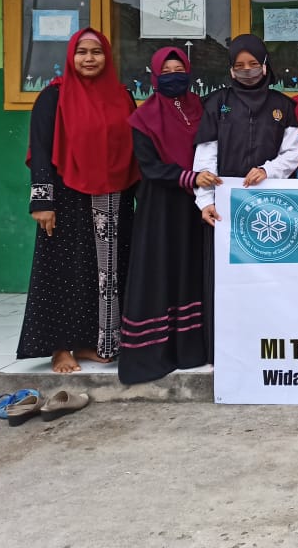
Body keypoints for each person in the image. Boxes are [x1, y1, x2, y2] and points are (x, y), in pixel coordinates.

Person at [19, 28, 139, 374]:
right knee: (64, 271)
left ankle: (92, 342)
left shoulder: (122, 96)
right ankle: (60, 348)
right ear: (71, 56)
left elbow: (133, 148)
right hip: (68, 197)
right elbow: (41, 149)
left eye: (96, 52)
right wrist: (42, 202)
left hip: (115, 198)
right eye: (82, 52)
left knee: (107, 272)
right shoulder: (53, 97)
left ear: (107, 57)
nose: (89, 58)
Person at [193, 34, 298, 358]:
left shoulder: (283, 106)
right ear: (230, 69)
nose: (247, 70)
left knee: (270, 278)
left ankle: (268, 349)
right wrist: (205, 201)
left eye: (253, 64)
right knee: (225, 281)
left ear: (265, 65)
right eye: (239, 65)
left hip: (270, 207)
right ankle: (222, 352)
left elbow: (291, 155)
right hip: (225, 210)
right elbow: (206, 157)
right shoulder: (216, 103)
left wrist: (268, 171)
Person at [120, 47, 208, 385]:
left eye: (179, 70)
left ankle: (192, 350)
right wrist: (189, 178)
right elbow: (150, 167)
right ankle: (156, 352)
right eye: (166, 71)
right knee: (162, 271)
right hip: (161, 208)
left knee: (192, 271)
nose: (174, 77)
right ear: (155, 75)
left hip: (198, 206)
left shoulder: (200, 108)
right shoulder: (143, 118)